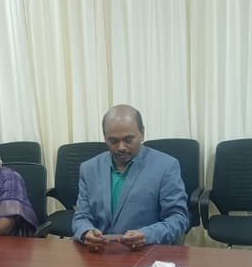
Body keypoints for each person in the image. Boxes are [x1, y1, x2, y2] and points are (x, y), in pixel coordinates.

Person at [71, 104, 189, 251]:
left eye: (128, 140)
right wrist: (85, 232)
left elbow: (178, 218)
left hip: (145, 252)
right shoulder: (89, 168)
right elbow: (81, 216)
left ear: (142, 134)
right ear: (105, 138)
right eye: (113, 141)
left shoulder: (166, 166)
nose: (121, 147)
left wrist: (147, 234)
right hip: (100, 253)